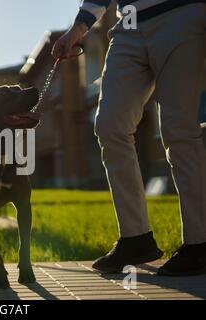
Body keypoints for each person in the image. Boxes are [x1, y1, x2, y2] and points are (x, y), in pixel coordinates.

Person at [52, 0, 206, 276]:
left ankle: (199, 244)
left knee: (178, 128)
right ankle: (136, 238)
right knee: (110, 125)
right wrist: (78, 28)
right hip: (130, 24)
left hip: (182, 13)